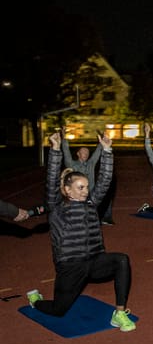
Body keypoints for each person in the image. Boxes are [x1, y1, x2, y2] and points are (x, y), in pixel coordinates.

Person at [26, 131, 136, 332]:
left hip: (94, 260)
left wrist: (107, 150)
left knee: (122, 259)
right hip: (70, 266)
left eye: (86, 187)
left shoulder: (91, 204)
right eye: (80, 187)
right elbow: (51, 181)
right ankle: (36, 301)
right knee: (58, 310)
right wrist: (56, 150)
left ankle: (119, 313)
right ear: (68, 190)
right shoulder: (57, 208)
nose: (86, 191)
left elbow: (104, 181)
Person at [62, 133, 115, 226]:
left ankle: (106, 218)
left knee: (107, 197)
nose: (86, 154)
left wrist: (102, 142)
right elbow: (66, 152)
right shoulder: (71, 164)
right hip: (78, 194)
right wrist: (63, 138)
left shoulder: (91, 163)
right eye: (83, 152)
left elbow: (97, 152)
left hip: (92, 192)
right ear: (78, 154)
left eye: (87, 152)